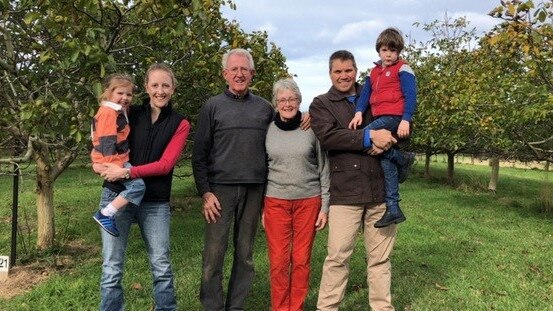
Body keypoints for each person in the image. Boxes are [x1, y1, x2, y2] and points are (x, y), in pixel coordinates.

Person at [192, 48, 310, 310]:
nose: (239, 74)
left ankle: (236, 306)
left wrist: (306, 117)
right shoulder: (212, 107)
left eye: (244, 69)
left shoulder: (265, 109)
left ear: (252, 74)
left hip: (255, 189)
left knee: (244, 254)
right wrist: (205, 192)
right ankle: (212, 305)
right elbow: (198, 153)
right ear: (225, 74)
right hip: (220, 190)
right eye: (233, 69)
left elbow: (287, 124)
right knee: (214, 254)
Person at [93, 63, 190, 311]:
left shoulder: (180, 123)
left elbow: (166, 165)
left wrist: (127, 171)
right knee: (112, 267)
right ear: (146, 88)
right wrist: (98, 163)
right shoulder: (129, 114)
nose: (160, 91)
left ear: (173, 89)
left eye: (165, 85)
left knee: (161, 265)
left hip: (155, 202)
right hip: (117, 195)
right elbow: (102, 134)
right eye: (155, 85)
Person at [309, 50, 399, 311]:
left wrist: (388, 140)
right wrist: (370, 138)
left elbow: (396, 119)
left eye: (348, 70)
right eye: (338, 71)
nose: (343, 76)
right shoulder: (321, 104)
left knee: (380, 259)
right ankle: (327, 308)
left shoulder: (373, 95)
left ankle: (382, 308)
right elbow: (330, 137)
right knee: (337, 257)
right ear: (330, 74)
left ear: (356, 70)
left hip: (379, 191)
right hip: (344, 194)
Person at [263, 78, 330, 311]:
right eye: (282, 99)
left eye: (292, 99)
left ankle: (297, 307)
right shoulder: (268, 129)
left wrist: (325, 206)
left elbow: (323, 167)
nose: (287, 103)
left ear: (300, 101)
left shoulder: (311, 128)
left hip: (308, 201)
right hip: (275, 201)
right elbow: (262, 167)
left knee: (301, 260)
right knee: (279, 262)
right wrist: (263, 207)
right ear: (276, 103)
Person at [348, 27, 416, 228]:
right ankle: (393, 207)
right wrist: (359, 111)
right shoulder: (374, 72)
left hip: (394, 117)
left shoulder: (403, 69)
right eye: (385, 50)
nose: (388, 54)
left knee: (363, 137)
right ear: (379, 50)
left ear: (399, 52)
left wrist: (406, 119)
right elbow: (365, 95)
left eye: (393, 51)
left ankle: (403, 159)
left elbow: (411, 95)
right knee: (382, 155)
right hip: (382, 116)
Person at [91, 74, 146, 237]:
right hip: (114, 161)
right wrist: (114, 167)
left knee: (130, 187)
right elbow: (107, 142)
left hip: (117, 159)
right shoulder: (108, 113)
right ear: (109, 93)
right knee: (138, 186)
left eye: (129, 94)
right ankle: (106, 213)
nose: (125, 97)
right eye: (120, 93)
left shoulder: (116, 111)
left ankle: (126, 211)